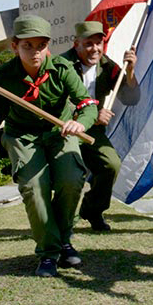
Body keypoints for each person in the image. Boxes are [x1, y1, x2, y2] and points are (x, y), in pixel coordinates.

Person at [0, 15, 98, 277]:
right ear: (15, 46)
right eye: (27, 46)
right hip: (23, 137)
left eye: (41, 45)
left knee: (71, 180)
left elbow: (86, 104)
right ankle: (48, 253)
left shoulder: (63, 69)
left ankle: (63, 241)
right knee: (35, 188)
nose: (35, 52)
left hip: (60, 133)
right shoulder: (5, 76)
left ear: (49, 46)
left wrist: (80, 124)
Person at [58, 21, 139, 231]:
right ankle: (60, 222)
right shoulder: (61, 65)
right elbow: (57, 103)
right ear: (76, 44)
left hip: (93, 132)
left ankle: (92, 210)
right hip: (64, 129)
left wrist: (130, 71)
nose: (95, 49)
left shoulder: (107, 65)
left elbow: (131, 98)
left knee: (110, 165)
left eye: (98, 43)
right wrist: (91, 116)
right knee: (70, 175)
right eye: (88, 44)